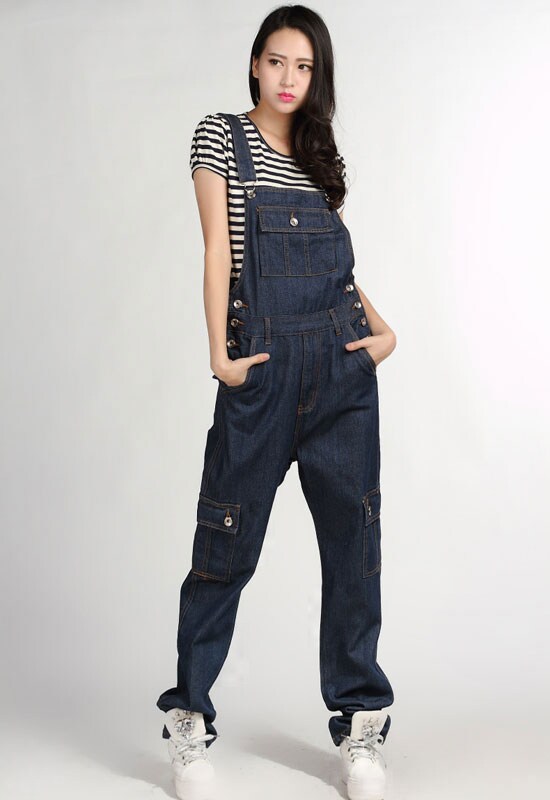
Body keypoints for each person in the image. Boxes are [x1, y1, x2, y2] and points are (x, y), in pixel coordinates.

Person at [156, 6, 396, 800]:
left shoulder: (320, 157)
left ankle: (360, 728)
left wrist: (382, 331)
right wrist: (220, 356)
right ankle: (188, 723)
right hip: (260, 374)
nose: (289, 79)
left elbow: (336, 272)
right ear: (255, 64)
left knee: (354, 555)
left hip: (340, 377)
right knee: (223, 550)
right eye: (277, 61)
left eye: (305, 66)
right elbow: (218, 250)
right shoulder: (220, 138)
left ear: (316, 77)